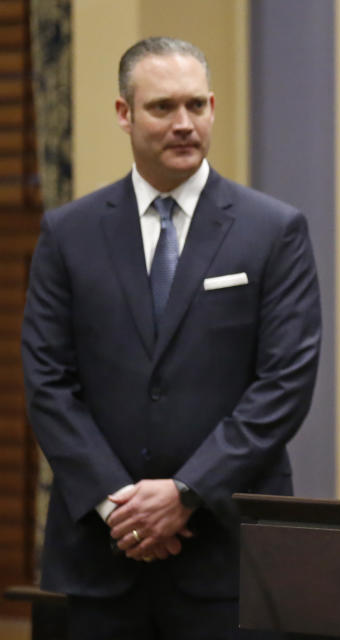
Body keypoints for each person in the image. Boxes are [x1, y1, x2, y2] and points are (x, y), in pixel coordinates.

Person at [21, 37, 321, 639]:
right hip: (99, 558)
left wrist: (186, 493)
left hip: (228, 556)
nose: (183, 124)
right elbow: (47, 383)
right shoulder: (68, 233)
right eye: (162, 108)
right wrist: (119, 506)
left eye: (196, 106)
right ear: (124, 114)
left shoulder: (273, 230)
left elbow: (284, 384)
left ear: (212, 107)